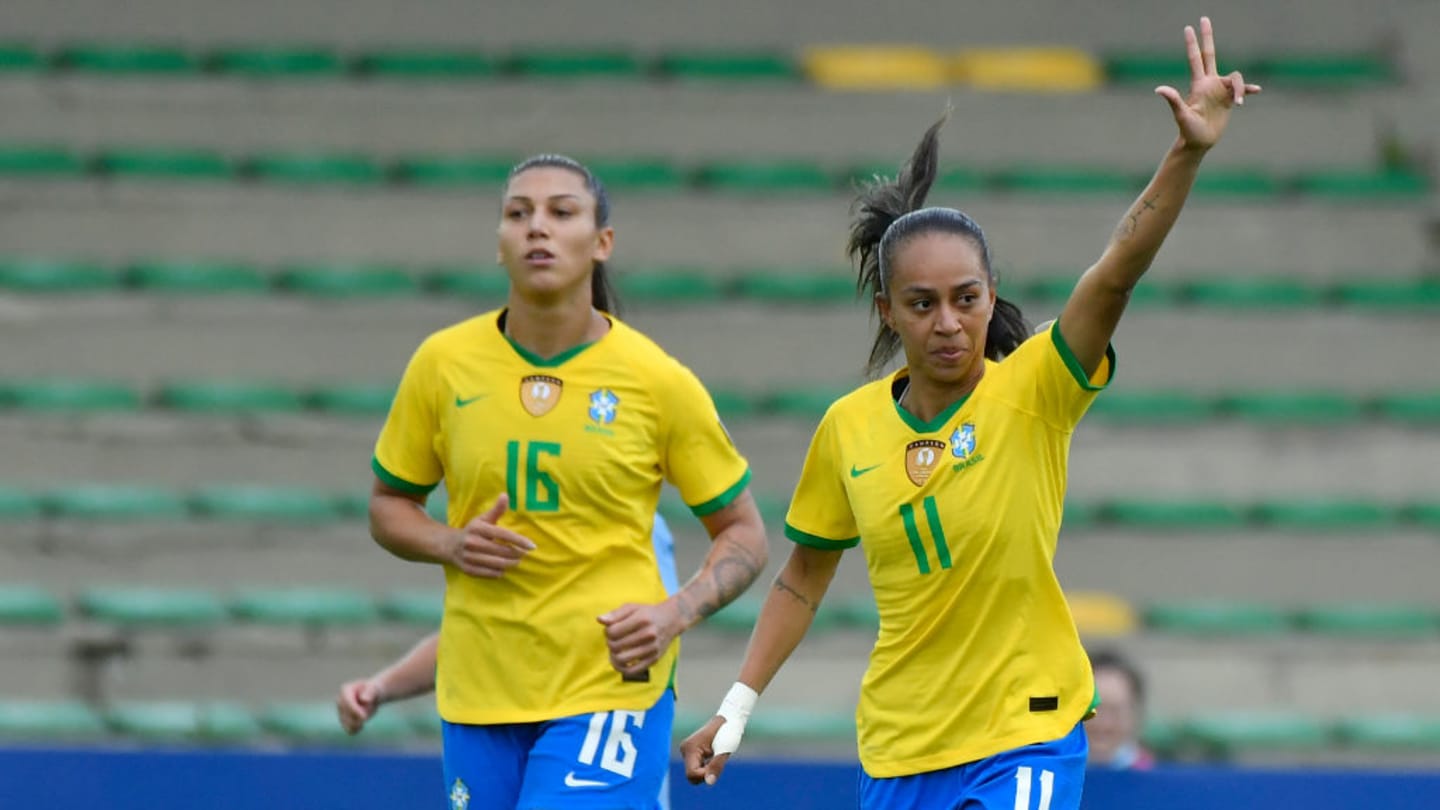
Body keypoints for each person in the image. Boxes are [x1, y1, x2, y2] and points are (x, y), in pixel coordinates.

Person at [680, 17, 1257, 810]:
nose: (948, 323)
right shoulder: (849, 429)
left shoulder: (1035, 389)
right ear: (888, 311)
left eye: (967, 300)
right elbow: (802, 577)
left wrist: (1187, 152)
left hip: (1026, 734)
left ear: (991, 299)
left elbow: (1115, 274)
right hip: (899, 749)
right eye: (922, 304)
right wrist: (734, 710)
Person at [367, 154, 769, 810]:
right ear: (499, 243)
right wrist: (448, 543)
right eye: (518, 214)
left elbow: (745, 534)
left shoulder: (655, 379)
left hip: (610, 684)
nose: (536, 228)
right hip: (480, 687)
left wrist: (676, 612)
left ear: (601, 242)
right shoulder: (443, 365)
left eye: (561, 212)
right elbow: (389, 505)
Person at [338, 515, 685, 806]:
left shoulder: (634, 524)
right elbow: (481, 641)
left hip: (600, 727)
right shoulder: (524, 518)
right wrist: (381, 687)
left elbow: (647, 638)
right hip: (504, 725)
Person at [1085, 649, 1156, 770]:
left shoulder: (1152, 776)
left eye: (1116, 712)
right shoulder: (1052, 777)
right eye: (1095, 711)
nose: (1104, 724)